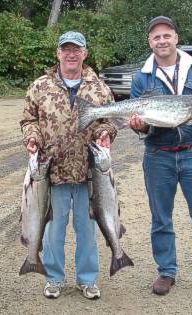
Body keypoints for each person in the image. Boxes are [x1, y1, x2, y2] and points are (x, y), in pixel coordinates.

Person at [128, 16, 192, 299]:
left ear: (176, 38)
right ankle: (166, 271)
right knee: (161, 219)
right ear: (150, 42)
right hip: (158, 156)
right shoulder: (142, 77)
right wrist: (140, 125)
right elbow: (142, 128)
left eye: (166, 35)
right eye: (156, 37)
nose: (162, 41)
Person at [20, 31, 117, 300]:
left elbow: (110, 120)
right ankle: (54, 278)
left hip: (90, 173)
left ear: (85, 53)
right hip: (53, 172)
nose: (71, 54)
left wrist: (106, 132)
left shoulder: (99, 87)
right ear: (58, 53)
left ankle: (87, 279)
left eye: (77, 49)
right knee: (52, 228)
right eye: (66, 49)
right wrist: (32, 138)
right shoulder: (40, 86)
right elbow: (29, 120)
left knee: (87, 229)